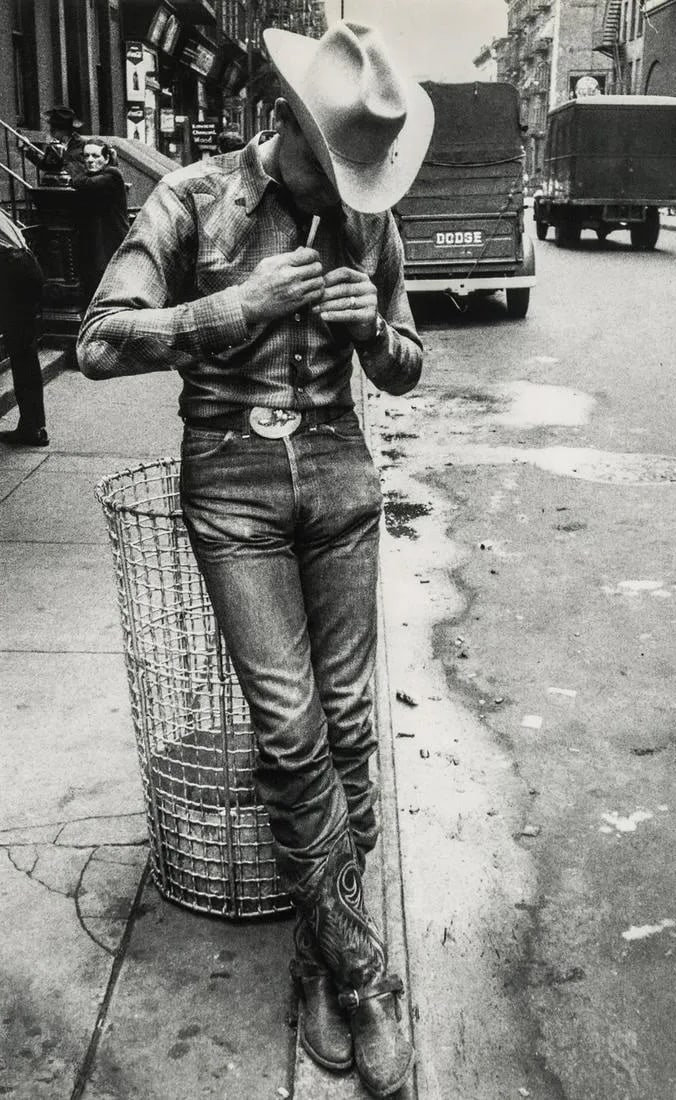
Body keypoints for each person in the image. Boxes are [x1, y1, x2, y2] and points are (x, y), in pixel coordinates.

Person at [77, 20, 433, 1098]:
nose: (349, 194)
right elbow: (98, 340)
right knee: (289, 724)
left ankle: (324, 956)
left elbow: (408, 366)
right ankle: (363, 974)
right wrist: (234, 308)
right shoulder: (191, 198)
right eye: (334, 167)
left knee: (352, 720)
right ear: (285, 123)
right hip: (230, 474)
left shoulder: (368, 220)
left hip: (338, 469)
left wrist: (372, 333)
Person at [0, 209, 48, 447]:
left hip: (12, 269)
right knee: (25, 354)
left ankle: (31, 427)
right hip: (27, 265)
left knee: (21, 352)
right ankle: (34, 426)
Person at [71, 139, 129, 305]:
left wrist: (74, 178)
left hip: (111, 241)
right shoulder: (94, 175)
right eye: (86, 156)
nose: (90, 160)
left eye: (95, 156)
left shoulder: (112, 175)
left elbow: (85, 183)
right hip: (95, 243)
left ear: (106, 158)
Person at [21, 105, 85, 186]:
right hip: (57, 186)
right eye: (52, 129)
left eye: (54, 130)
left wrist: (59, 152)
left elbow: (77, 168)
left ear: (65, 130)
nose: (52, 133)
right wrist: (28, 148)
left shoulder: (81, 144)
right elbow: (45, 166)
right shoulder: (54, 145)